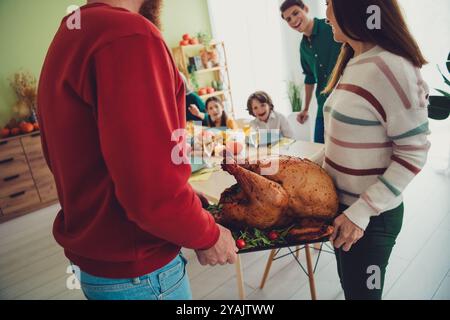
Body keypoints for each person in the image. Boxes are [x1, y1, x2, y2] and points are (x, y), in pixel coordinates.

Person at [37, 0, 237, 300]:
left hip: (99, 262)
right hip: (140, 274)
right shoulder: (130, 35)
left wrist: (187, 202)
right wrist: (207, 235)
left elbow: (99, 159)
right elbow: (151, 191)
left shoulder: (71, 30)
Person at [323, 0, 430, 299]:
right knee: (353, 292)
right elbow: (341, 143)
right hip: (344, 211)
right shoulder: (355, 59)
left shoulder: (391, 66)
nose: (326, 14)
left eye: (330, 4)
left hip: (370, 217)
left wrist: (362, 212)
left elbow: (414, 151)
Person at [280, 0, 341, 143]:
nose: (293, 20)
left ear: (305, 9)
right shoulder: (303, 47)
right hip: (323, 105)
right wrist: (305, 109)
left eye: (295, 13)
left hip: (343, 99)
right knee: (319, 147)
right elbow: (309, 78)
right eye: (288, 19)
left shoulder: (329, 26)